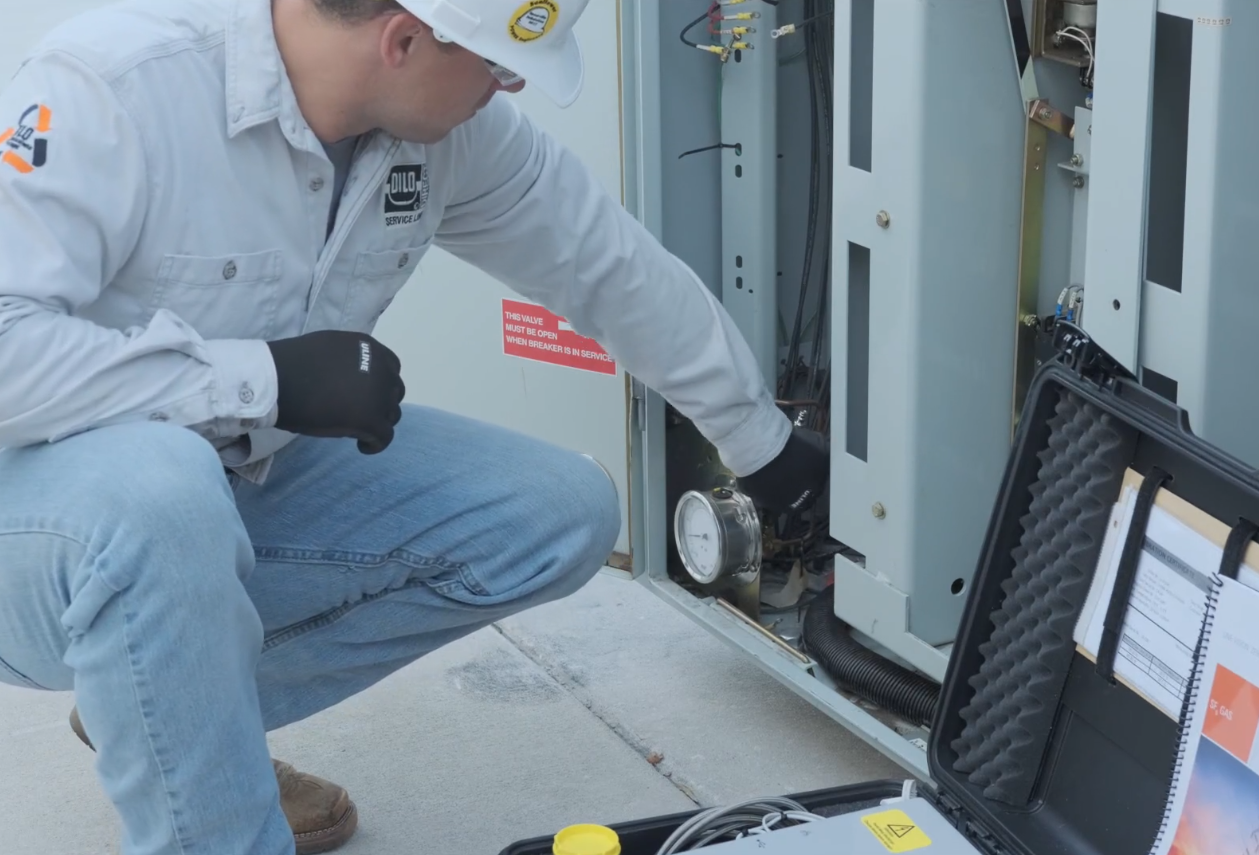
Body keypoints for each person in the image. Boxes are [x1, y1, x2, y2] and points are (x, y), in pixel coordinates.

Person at [0, 0, 828, 852]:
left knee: (557, 508)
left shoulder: (448, 135)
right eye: (499, 65)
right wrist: (265, 378)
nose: (507, 87)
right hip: (38, 521)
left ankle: (170, 722)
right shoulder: (119, 88)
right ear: (403, 40)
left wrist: (756, 440)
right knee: (159, 494)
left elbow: (605, 263)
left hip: (216, 493)